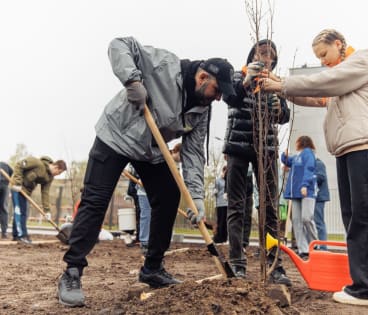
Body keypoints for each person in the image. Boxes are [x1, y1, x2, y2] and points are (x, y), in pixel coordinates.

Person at [57, 36, 236, 307]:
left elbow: (193, 154)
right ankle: (72, 271)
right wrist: (133, 82)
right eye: (217, 90)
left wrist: (196, 197)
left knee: (168, 195)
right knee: (95, 201)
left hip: (150, 150)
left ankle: (152, 268)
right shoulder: (165, 66)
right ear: (202, 77)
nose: (219, 97)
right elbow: (120, 44)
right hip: (116, 136)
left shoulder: (202, 110)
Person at [261, 29, 368, 306]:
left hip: (363, 145)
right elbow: (317, 96)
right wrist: (279, 86)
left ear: (339, 44)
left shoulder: (360, 63)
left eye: (324, 54)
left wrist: (282, 84)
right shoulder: (343, 79)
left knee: (364, 215)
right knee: (354, 216)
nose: (322, 62)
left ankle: (367, 290)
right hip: (348, 147)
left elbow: (324, 82)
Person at [223, 39, 291, 285]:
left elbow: (284, 115)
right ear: (252, 54)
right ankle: (237, 264)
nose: (266, 58)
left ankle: (274, 265)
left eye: (271, 55)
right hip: (238, 147)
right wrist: (245, 82)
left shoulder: (274, 81)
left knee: (271, 207)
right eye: (262, 52)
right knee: (237, 205)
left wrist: (278, 109)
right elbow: (230, 99)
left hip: (267, 148)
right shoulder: (236, 76)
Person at [10, 156, 67, 244]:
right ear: (56, 167)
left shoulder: (49, 178)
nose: (57, 175)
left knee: (23, 213)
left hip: (26, 192)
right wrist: (17, 183)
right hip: (17, 188)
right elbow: (19, 165)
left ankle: (16, 235)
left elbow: (45, 193)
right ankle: (21, 236)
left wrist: (47, 211)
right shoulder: (37, 163)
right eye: (58, 173)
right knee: (20, 212)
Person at [281, 136, 318, 259]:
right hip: (295, 193)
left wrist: (305, 185)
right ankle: (304, 249)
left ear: (301, 142)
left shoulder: (308, 154)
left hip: (306, 191)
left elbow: (309, 169)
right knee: (296, 221)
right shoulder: (297, 156)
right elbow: (287, 161)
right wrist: (284, 155)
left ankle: (315, 244)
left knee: (306, 218)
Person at [314, 157, 330, 250]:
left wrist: (309, 177)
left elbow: (321, 177)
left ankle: (323, 247)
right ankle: (317, 245)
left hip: (319, 197)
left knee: (319, 222)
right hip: (315, 197)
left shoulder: (319, 163)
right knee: (315, 222)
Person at [125, 165, 141, 247]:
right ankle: (140, 238)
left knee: (141, 215)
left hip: (140, 191)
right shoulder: (132, 166)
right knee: (139, 215)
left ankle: (140, 239)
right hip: (136, 191)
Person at [213, 165, 228, 243]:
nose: (226, 172)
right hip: (220, 204)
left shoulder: (228, 180)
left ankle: (225, 238)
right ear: (223, 171)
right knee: (220, 221)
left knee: (225, 222)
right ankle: (218, 238)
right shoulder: (218, 180)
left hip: (227, 204)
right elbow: (214, 191)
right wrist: (215, 191)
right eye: (225, 171)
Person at [0, 162, 13, 239]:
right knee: (4, 209)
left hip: (5, 186)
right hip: (5, 186)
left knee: (3, 209)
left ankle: (4, 232)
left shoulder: (5, 164)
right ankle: (4, 233)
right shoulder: (5, 164)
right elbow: (13, 175)